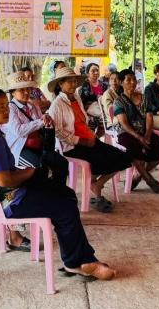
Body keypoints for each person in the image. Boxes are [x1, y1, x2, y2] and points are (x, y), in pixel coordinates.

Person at [0, 86, 116, 280]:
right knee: (64, 206)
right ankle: (78, 262)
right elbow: (3, 180)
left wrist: (29, 173)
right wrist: (29, 172)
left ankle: (80, 259)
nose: (6, 111)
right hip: (3, 201)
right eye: (0, 108)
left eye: (6, 106)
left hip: (2, 194)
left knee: (65, 194)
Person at [48, 66, 132, 213]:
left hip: (90, 141)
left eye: (75, 81)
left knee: (123, 157)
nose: (73, 84)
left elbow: (83, 121)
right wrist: (80, 141)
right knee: (102, 160)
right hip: (74, 146)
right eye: (69, 81)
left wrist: (91, 135)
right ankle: (95, 189)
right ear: (60, 84)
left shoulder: (76, 97)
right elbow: (58, 131)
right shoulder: (57, 104)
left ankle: (96, 184)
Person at [113, 69, 159, 193]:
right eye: (128, 80)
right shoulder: (118, 101)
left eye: (134, 79)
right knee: (132, 149)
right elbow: (123, 123)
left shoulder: (144, 98)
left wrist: (147, 135)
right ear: (121, 82)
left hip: (144, 132)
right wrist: (138, 137)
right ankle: (149, 179)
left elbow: (149, 117)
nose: (132, 82)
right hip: (127, 133)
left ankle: (138, 176)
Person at [3, 71, 54, 169]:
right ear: (13, 93)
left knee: (61, 162)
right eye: (21, 90)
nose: (26, 92)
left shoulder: (33, 105)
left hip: (38, 145)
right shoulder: (10, 108)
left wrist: (45, 118)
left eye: (28, 89)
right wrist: (41, 122)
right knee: (40, 166)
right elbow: (19, 131)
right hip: (20, 149)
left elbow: (41, 121)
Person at [77, 63, 107, 131]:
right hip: (90, 110)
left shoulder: (104, 84)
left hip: (103, 108)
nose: (96, 72)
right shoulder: (84, 85)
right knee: (104, 116)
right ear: (88, 74)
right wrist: (99, 98)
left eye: (97, 70)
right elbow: (83, 101)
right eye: (93, 71)